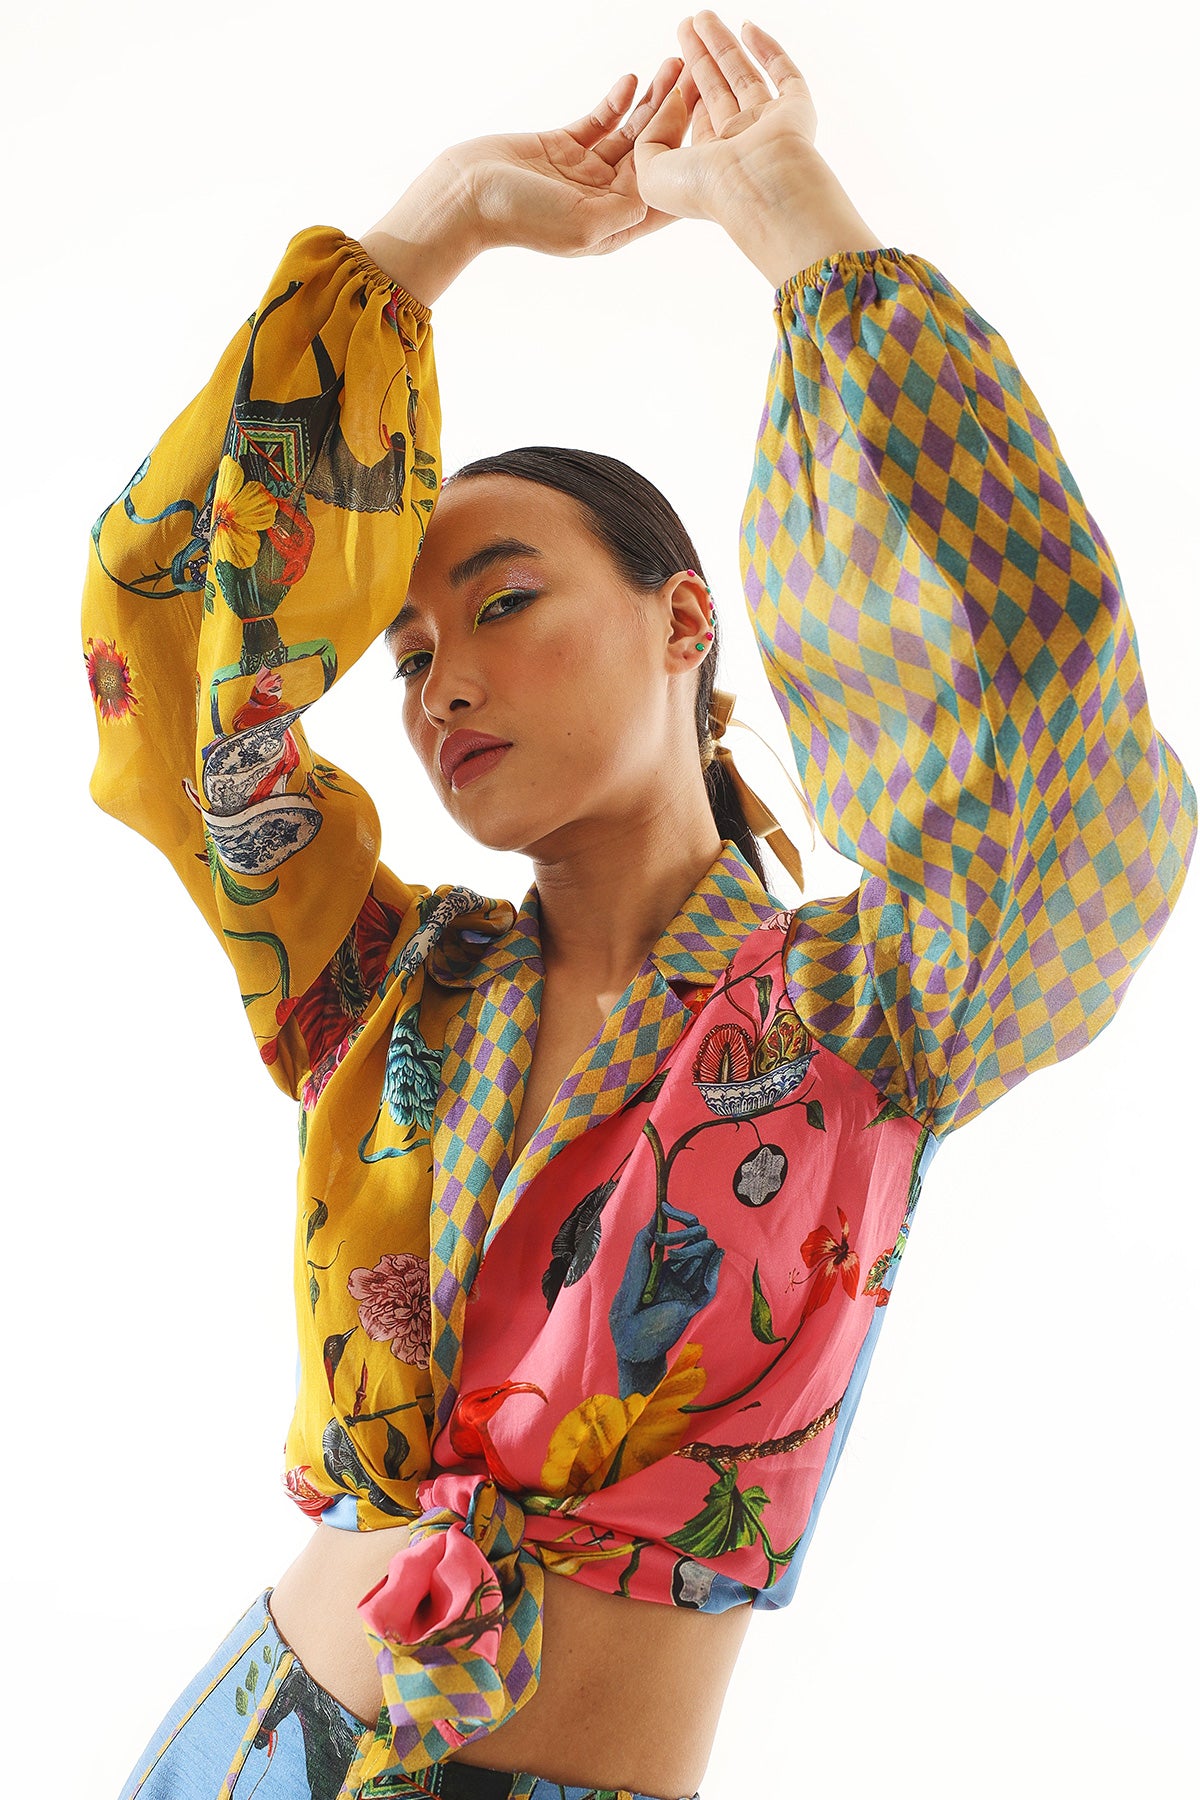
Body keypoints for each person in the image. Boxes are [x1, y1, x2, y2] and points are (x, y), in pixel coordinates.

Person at [80, 12, 1195, 1800]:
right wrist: (430, 229)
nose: (443, 681)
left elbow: (1054, 739)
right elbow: (168, 669)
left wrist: (795, 220)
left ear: (685, 619)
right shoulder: (379, 987)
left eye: (504, 601)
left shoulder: (872, 1016)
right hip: (244, 1744)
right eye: (410, 654)